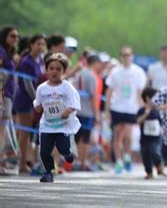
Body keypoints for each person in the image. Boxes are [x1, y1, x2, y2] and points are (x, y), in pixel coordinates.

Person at [33, 53, 81, 182]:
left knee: (63, 148)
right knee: (44, 151)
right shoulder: (42, 88)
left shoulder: (67, 88)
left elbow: (75, 104)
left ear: (64, 71)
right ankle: (48, 172)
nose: (54, 71)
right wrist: (38, 107)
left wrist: (67, 111)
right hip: (47, 126)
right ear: (46, 69)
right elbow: (37, 102)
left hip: (63, 126)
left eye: (58, 69)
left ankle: (68, 154)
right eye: (51, 68)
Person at [106, 46, 147, 174]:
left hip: (131, 107)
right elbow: (109, 91)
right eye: (123, 55)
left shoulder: (138, 72)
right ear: (120, 57)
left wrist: (142, 107)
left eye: (128, 54)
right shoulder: (115, 72)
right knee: (117, 135)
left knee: (128, 135)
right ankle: (118, 161)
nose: (126, 57)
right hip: (117, 106)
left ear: (132, 56)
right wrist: (107, 109)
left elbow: (140, 92)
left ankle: (127, 156)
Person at [13, 34, 46, 173]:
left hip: (34, 100)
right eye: (37, 44)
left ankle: (26, 161)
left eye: (42, 44)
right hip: (25, 99)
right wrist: (37, 100)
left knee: (27, 133)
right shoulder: (26, 61)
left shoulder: (39, 61)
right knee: (24, 133)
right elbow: (28, 85)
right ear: (31, 45)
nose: (40, 47)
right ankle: (21, 164)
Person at [74, 54, 101, 171]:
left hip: (77, 110)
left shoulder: (80, 73)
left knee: (77, 137)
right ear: (95, 63)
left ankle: (76, 161)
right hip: (87, 111)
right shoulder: (91, 76)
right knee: (85, 138)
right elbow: (93, 96)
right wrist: (96, 114)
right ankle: (83, 161)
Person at [0, 26, 20, 173]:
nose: (15, 39)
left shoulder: (9, 53)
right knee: (1, 130)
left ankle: (2, 161)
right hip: (4, 94)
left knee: (3, 130)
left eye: (17, 36)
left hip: (9, 95)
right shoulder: (1, 51)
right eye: (12, 36)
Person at [136, 87, 162, 180]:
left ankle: (158, 164)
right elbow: (138, 121)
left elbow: (161, 122)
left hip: (155, 138)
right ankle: (149, 172)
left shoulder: (158, 110)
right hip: (144, 138)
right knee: (145, 155)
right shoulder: (141, 110)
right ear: (147, 98)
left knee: (154, 151)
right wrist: (146, 114)